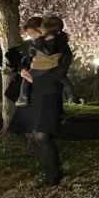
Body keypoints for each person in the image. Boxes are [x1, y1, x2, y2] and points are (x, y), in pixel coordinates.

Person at [10, 16, 73, 186]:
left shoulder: (62, 49)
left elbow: (59, 74)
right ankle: (46, 170)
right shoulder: (34, 46)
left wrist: (35, 79)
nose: (32, 37)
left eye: (34, 33)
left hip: (47, 94)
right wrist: (22, 69)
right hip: (31, 93)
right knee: (30, 133)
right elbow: (16, 56)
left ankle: (54, 174)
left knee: (41, 134)